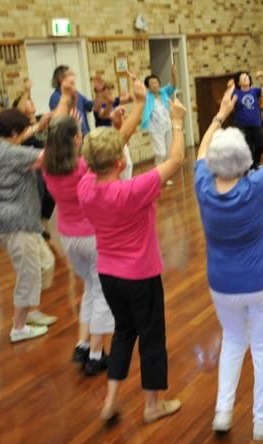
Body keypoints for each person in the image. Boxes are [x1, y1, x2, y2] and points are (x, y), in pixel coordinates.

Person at [77, 76, 186, 424]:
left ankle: (110, 400)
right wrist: (178, 122)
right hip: (140, 274)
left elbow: (107, 153)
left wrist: (136, 110)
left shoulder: (85, 185)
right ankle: (153, 405)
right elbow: (177, 159)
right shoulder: (133, 191)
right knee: (152, 336)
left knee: (124, 331)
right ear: (121, 163)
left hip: (109, 275)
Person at [195, 84, 263, 440]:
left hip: (222, 283)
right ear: (246, 161)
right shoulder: (255, 186)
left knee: (234, 340)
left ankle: (223, 412)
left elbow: (202, 149)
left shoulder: (203, 185)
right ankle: (262, 418)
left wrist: (220, 114)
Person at [43, 72, 144, 376]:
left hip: (68, 238)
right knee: (102, 293)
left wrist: (64, 96)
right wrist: (139, 104)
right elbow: (120, 139)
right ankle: (98, 354)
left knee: (89, 287)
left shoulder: (48, 162)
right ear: (77, 138)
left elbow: (55, 131)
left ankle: (83, 343)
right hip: (93, 238)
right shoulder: (83, 166)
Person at [0, 108, 57, 343]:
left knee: (46, 263)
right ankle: (19, 327)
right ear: (14, 132)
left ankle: (31, 311)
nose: (26, 133)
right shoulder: (9, 153)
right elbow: (48, 157)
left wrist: (38, 127)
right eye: (24, 130)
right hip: (16, 222)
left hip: (27, 221)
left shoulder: (7, 147)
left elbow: (23, 141)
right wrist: (62, 131)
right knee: (28, 274)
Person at [14, 79, 55, 239]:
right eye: (28, 103)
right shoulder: (20, 129)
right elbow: (18, 109)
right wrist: (25, 91)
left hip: (46, 165)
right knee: (37, 195)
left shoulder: (40, 120)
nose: (31, 104)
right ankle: (37, 226)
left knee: (50, 195)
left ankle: (43, 221)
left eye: (31, 102)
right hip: (30, 167)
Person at [141, 64, 177, 185]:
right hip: (155, 129)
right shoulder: (147, 97)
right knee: (160, 153)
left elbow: (172, 85)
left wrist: (173, 74)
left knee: (167, 153)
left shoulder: (163, 93)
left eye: (156, 82)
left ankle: (164, 177)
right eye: (152, 83)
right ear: (148, 87)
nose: (155, 85)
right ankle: (156, 177)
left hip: (167, 126)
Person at [232, 70, 263, 170]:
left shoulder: (254, 91)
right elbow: (229, 102)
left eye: (247, 77)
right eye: (243, 78)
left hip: (255, 123)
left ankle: (255, 162)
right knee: (248, 147)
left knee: (260, 145)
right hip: (243, 125)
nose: (246, 78)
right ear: (238, 82)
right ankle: (252, 166)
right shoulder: (236, 93)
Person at [49, 65, 97, 136]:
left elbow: (91, 106)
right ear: (61, 78)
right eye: (70, 74)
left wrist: (100, 92)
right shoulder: (55, 97)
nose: (74, 76)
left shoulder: (76, 93)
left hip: (84, 135)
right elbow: (58, 122)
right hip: (70, 137)